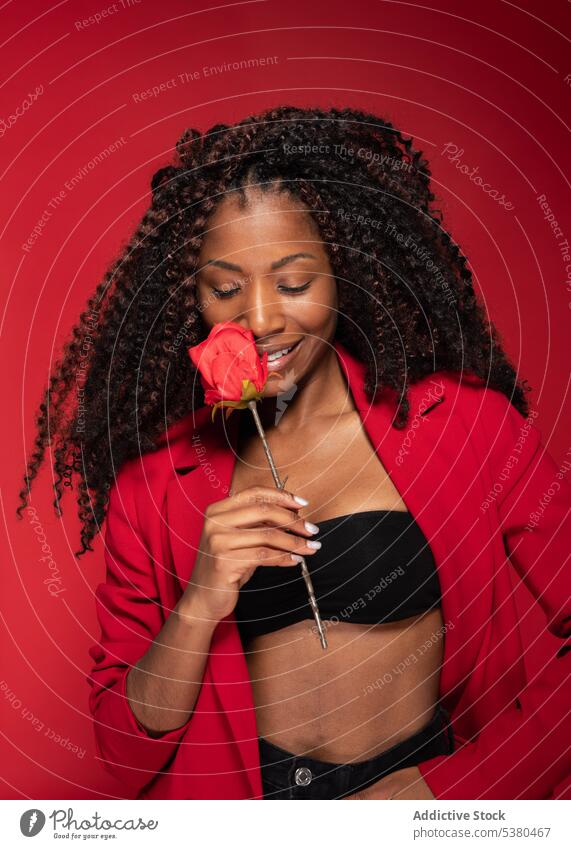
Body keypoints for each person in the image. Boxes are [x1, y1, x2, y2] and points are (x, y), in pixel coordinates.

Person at [18, 105, 570, 800]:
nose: (258, 317)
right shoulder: (153, 486)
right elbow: (124, 754)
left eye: (293, 282)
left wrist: (454, 793)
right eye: (225, 288)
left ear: (341, 271)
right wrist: (199, 601)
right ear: (193, 299)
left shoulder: (466, 425)